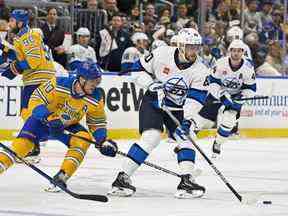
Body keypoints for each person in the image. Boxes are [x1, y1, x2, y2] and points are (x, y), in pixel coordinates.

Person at [108, 28, 208, 199]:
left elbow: (196, 99)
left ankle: (186, 180)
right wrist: (150, 84)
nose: (194, 51)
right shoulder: (162, 53)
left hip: (179, 109)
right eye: (190, 47)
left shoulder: (200, 70)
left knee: (187, 136)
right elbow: (136, 69)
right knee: (151, 137)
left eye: (196, 47)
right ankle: (122, 178)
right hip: (153, 102)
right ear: (181, 46)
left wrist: (188, 120)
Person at [0, 61, 118, 192]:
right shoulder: (58, 83)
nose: (96, 85)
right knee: (21, 147)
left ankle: (62, 176)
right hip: (42, 122)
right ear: (82, 79)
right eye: (93, 81)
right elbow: (35, 99)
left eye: (98, 81)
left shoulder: (96, 97)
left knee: (83, 139)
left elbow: (97, 123)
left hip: (66, 127)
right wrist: (49, 116)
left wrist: (103, 140)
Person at [0, 9, 56, 160]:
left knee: (27, 112)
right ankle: (34, 143)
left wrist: (11, 69)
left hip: (39, 78)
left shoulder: (28, 36)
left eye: (12, 21)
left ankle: (33, 145)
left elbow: (33, 61)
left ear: (20, 22)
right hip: (37, 78)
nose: (9, 24)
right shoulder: (22, 37)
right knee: (27, 112)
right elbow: (19, 56)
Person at [190, 39, 256, 158]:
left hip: (236, 96)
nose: (236, 53)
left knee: (229, 121)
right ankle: (187, 144)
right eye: (233, 51)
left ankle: (218, 143)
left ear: (243, 52)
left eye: (239, 51)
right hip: (218, 93)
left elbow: (251, 88)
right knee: (202, 120)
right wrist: (221, 94)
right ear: (230, 51)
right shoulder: (221, 63)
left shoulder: (248, 67)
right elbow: (213, 82)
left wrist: (242, 98)